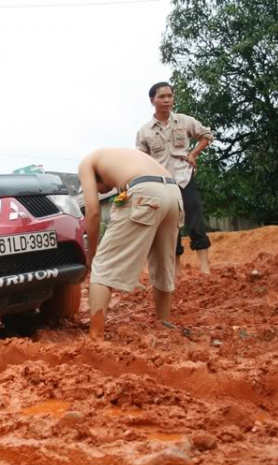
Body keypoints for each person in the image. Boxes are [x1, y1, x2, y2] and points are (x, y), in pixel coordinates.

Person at [79, 148, 183, 338]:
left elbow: (93, 212)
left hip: (145, 190)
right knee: (163, 265)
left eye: (99, 189)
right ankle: (163, 327)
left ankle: (95, 336)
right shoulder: (119, 158)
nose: (105, 191)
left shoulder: (86, 163)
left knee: (103, 266)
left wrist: (91, 253)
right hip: (174, 193)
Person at [136, 82, 213, 277]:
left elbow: (206, 136)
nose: (167, 100)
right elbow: (141, 160)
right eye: (161, 96)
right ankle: (176, 271)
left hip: (184, 178)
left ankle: (205, 268)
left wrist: (194, 153)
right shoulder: (144, 131)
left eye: (169, 96)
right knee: (171, 227)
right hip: (162, 185)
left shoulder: (184, 121)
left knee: (195, 221)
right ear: (152, 100)